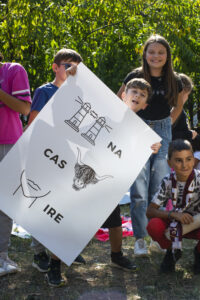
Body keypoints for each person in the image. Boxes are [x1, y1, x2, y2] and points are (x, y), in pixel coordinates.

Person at [117, 34, 184, 256]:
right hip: (137, 130)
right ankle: (139, 239)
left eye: (160, 52)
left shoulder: (175, 80)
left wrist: (164, 128)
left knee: (159, 187)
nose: (156, 56)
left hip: (163, 133)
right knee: (139, 189)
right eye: (151, 52)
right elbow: (120, 101)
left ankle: (156, 236)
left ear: (167, 56)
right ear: (145, 54)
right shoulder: (135, 75)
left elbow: (178, 107)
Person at [28, 48, 84, 287]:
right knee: (42, 209)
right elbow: (32, 123)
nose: (71, 71)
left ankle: (55, 263)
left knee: (63, 210)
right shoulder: (45, 91)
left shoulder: (80, 93)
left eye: (76, 68)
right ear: (55, 67)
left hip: (68, 159)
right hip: (44, 157)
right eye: (67, 66)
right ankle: (39, 252)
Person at [102, 77, 161, 272]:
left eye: (142, 94)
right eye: (133, 91)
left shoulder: (142, 130)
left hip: (109, 183)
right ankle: (57, 261)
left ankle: (116, 256)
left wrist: (152, 147)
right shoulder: (105, 114)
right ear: (123, 95)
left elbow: (138, 152)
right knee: (75, 218)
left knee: (115, 222)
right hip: (86, 173)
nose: (137, 95)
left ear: (144, 105)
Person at [146, 139, 200, 274]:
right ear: (169, 163)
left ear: (194, 160)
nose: (185, 165)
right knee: (154, 226)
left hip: (197, 223)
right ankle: (172, 251)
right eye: (178, 160)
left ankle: (199, 252)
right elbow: (150, 211)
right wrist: (173, 214)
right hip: (176, 223)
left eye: (188, 159)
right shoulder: (168, 180)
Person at [0, 53, 31, 276]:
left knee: (3, 202)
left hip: (7, 142)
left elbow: (24, 109)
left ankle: (2, 257)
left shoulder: (13, 70)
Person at [172, 73, 197, 142]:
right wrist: (190, 134)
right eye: (187, 94)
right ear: (182, 93)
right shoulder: (177, 110)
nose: (187, 97)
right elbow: (167, 134)